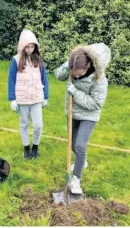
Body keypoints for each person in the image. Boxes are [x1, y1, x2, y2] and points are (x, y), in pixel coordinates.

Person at [54, 42, 111, 194]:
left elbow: (95, 103)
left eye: (78, 74)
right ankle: (82, 161)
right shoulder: (73, 65)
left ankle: (76, 180)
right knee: (73, 146)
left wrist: (75, 92)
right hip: (72, 112)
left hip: (89, 115)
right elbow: (58, 75)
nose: (76, 76)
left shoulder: (99, 79)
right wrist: (66, 68)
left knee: (80, 146)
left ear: (87, 67)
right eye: (74, 74)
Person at [8, 29, 49, 160]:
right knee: (24, 124)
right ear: (22, 46)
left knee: (38, 125)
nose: (30, 49)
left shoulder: (38, 60)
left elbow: (44, 79)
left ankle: (35, 146)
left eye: (32, 47)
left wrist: (45, 96)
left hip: (37, 97)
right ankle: (26, 147)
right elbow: (11, 79)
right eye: (27, 47)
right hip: (23, 98)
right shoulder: (16, 60)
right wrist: (12, 99)